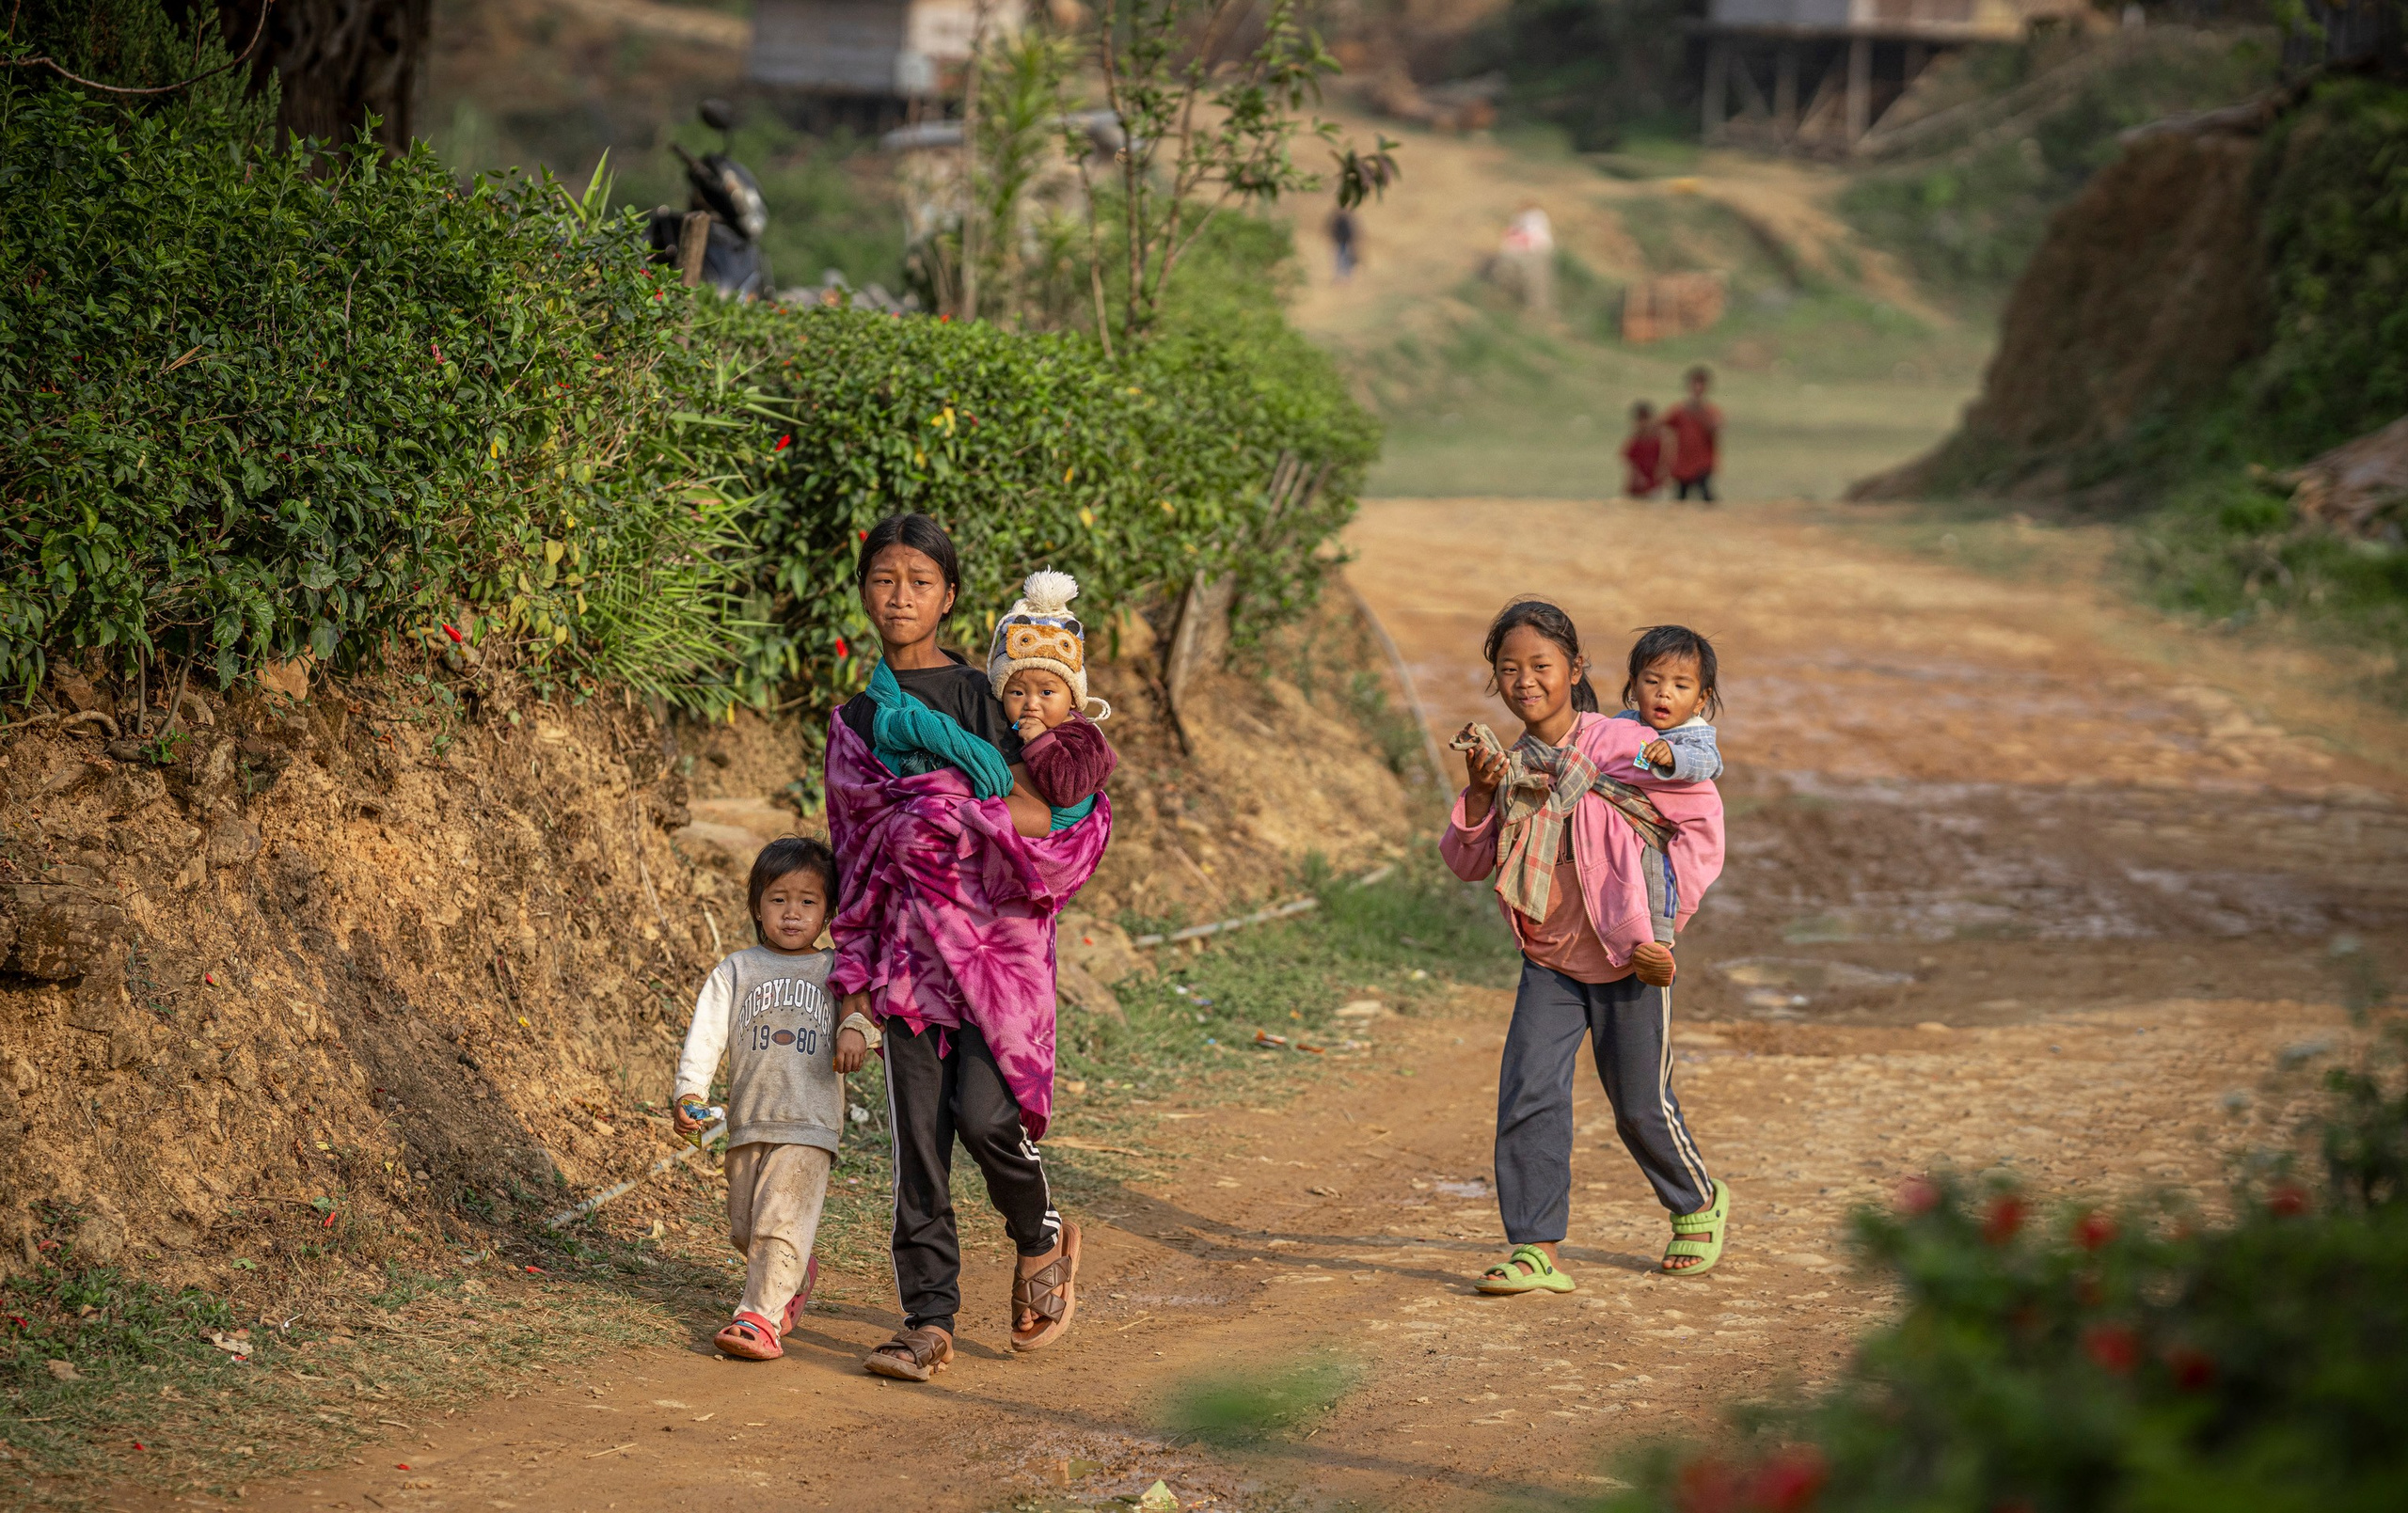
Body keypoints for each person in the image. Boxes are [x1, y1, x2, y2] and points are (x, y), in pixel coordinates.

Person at [824, 512, 1110, 1383]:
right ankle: (927, 1320)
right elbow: (853, 843)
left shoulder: (996, 698)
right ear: (865, 589)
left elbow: (1065, 811)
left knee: (988, 1121)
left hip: (996, 953)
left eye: (919, 581)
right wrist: (855, 979)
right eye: (884, 578)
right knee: (918, 1144)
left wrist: (952, 811)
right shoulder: (859, 718)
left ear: (949, 597)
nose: (899, 595)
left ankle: (1041, 1235)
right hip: (905, 956)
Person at [1440, 599, 1730, 1295]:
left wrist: (1664, 925)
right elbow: (1467, 861)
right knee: (1529, 1091)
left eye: (1541, 665)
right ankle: (1534, 1247)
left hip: (1632, 956)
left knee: (1638, 1103)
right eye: (1509, 669)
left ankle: (1696, 1201)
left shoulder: (1620, 742)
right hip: (1550, 956)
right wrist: (1481, 796)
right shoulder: (1508, 764)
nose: (1525, 680)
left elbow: (1701, 824)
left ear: (1575, 669)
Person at [673, 836, 876, 1362]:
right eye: (778, 899)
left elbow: (864, 1013)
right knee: (746, 1227)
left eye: (807, 902)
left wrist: (856, 1031)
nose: (792, 913)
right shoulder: (736, 970)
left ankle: (758, 1319)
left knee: (777, 1222)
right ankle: (794, 1269)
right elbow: (707, 1034)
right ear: (757, 906)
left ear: (828, 910)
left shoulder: (836, 968)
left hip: (809, 1123)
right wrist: (691, 1090)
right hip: (748, 1120)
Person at [1611, 625, 1724, 950]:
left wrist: (1674, 756)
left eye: (1681, 685)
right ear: (1634, 685)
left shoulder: (1694, 734)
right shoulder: (1625, 722)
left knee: (1657, 869)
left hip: (1669, 832)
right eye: (1652, 681)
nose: (1664, 693)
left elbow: (1708, 762)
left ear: (1701, 698)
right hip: (1631, 816)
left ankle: (1658, 940)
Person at [988, 570, 1117, 835]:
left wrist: (1040, 742)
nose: (1031, 704)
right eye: (1017, 693)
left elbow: (1067, 791)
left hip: (1060, 839)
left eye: (1047, 693)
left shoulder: (1084, 738)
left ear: (1073, 698)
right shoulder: (1004, 724)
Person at [1665, 366, 1722, 503]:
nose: (1698, 387)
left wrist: (1698, 411)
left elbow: (1715, 427)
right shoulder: (1679, 410)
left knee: (1707, 497)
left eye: (1701, 383)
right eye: (1695, 383)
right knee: (1680, 499)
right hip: (1683, 462)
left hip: (1702, 462)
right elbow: (1663, 426)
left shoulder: (1710, 411)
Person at [1621, 401, 1666, 499]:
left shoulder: (1657, 440)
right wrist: (1637, 477)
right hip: (1636, 487)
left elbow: (1663, 461)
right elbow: (1628, 461)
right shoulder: (1634, 440)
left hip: (1653, 484)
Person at [1328, 205, 1358, 282]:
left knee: (1344, 260)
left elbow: (1350, 232)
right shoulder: (1340, 221)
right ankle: (1340, 277)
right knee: (1340, 260)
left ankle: (1346, 277)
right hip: (1341, 243)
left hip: (1345, 243)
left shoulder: (1343, 221)